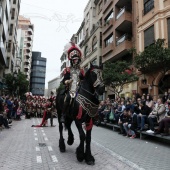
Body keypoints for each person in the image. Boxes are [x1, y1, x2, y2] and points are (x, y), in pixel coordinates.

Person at [60, 42, 85, 123]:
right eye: (74, 59)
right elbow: (64, 81)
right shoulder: (67, 69)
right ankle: (63, 115)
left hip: (80, 89)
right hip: (71, 89)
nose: (76, 61)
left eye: (77, 59)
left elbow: (84, 79)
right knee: (68, 98)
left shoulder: (81, 70)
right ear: (71, 60)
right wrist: (68, 81)